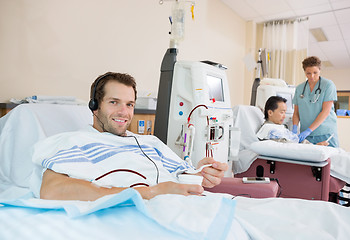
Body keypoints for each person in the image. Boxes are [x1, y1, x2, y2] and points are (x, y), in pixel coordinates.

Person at [31, 72, 227, 201]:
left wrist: (202, 175)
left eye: (129, 104)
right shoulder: (75, 142)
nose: (124, 112)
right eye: (114, 102)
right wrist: (150, 192)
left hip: (183, 209)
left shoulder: (150, 143)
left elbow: (182, 175)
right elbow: (52, 190)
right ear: (94, 105)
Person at [292, 56, 339, 147]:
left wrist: (309, 130)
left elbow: (325, 111)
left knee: (331, 159)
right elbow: (296, 112)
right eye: (308, 73)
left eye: (315, 72)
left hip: (325, 133)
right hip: (307, 135)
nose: (312, 76)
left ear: (320, 70)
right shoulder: (300, 88)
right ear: (304, 72)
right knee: (307, 159)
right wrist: (294, 128)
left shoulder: (328, 85)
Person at [257, 96, 328, 146]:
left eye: (285, 112)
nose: (284, 116)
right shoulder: (268, 130)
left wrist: (314, 146)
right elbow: (288, 146)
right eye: (282, 112)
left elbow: (295, 140)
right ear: (270, 113)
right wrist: (312, 148)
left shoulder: (280, 127)